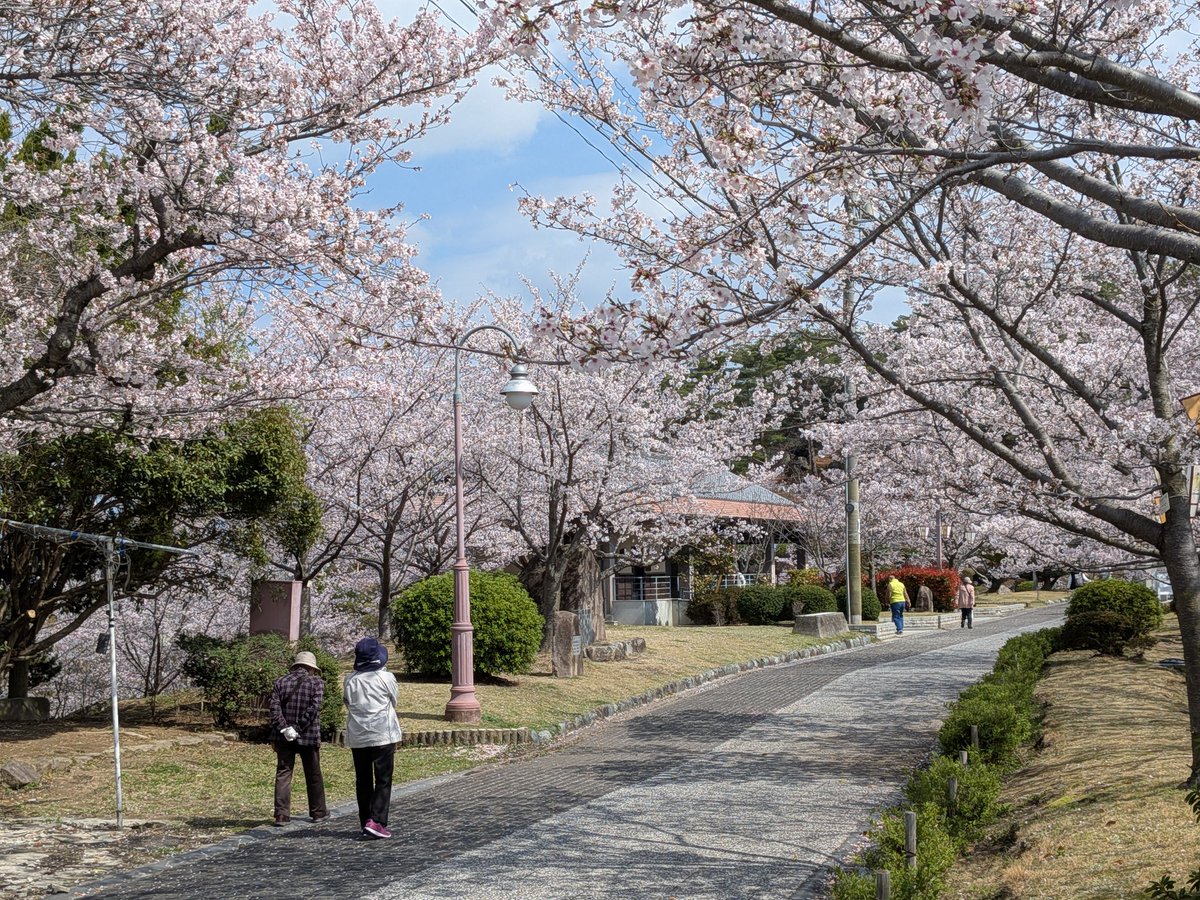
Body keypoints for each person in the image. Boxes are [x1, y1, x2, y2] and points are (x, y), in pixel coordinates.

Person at [343, 636, 402, 840]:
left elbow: (348, 702)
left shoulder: (349, 679)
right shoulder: (386, 678)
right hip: (382, 734)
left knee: (363, 780)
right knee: (383, 779)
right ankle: (376, 821)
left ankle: (365, 821)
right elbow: (394, 700)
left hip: (358, 736)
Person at [268, 650, 328, 826]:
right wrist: (297, 728)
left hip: (283, 737)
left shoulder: (280, 682)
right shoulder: (317, 683)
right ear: (311, 668)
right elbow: (313, 709)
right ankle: (318, 812)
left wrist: (285, 728)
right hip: (308, 735)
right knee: (313, 773)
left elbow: (274, 709)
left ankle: (281, 815)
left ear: (296, 666)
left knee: (283, 773)